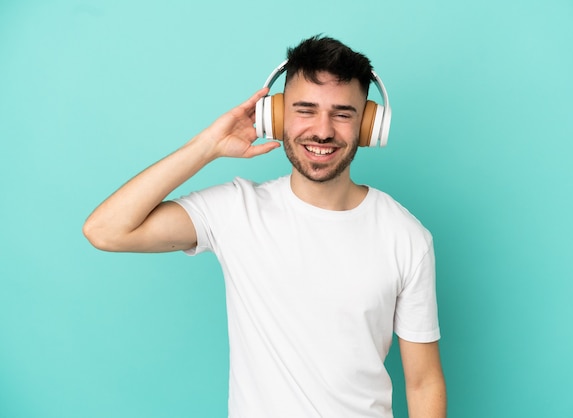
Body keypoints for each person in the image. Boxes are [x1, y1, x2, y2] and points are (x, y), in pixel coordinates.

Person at [83, 35, 446, 418]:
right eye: (305, 110)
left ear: (369, 124)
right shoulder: (235, 211)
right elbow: (106, 230)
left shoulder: (406, 236)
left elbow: (424, 382)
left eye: (342, 114)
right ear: (274, 117)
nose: (322, 131)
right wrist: (209, 144)